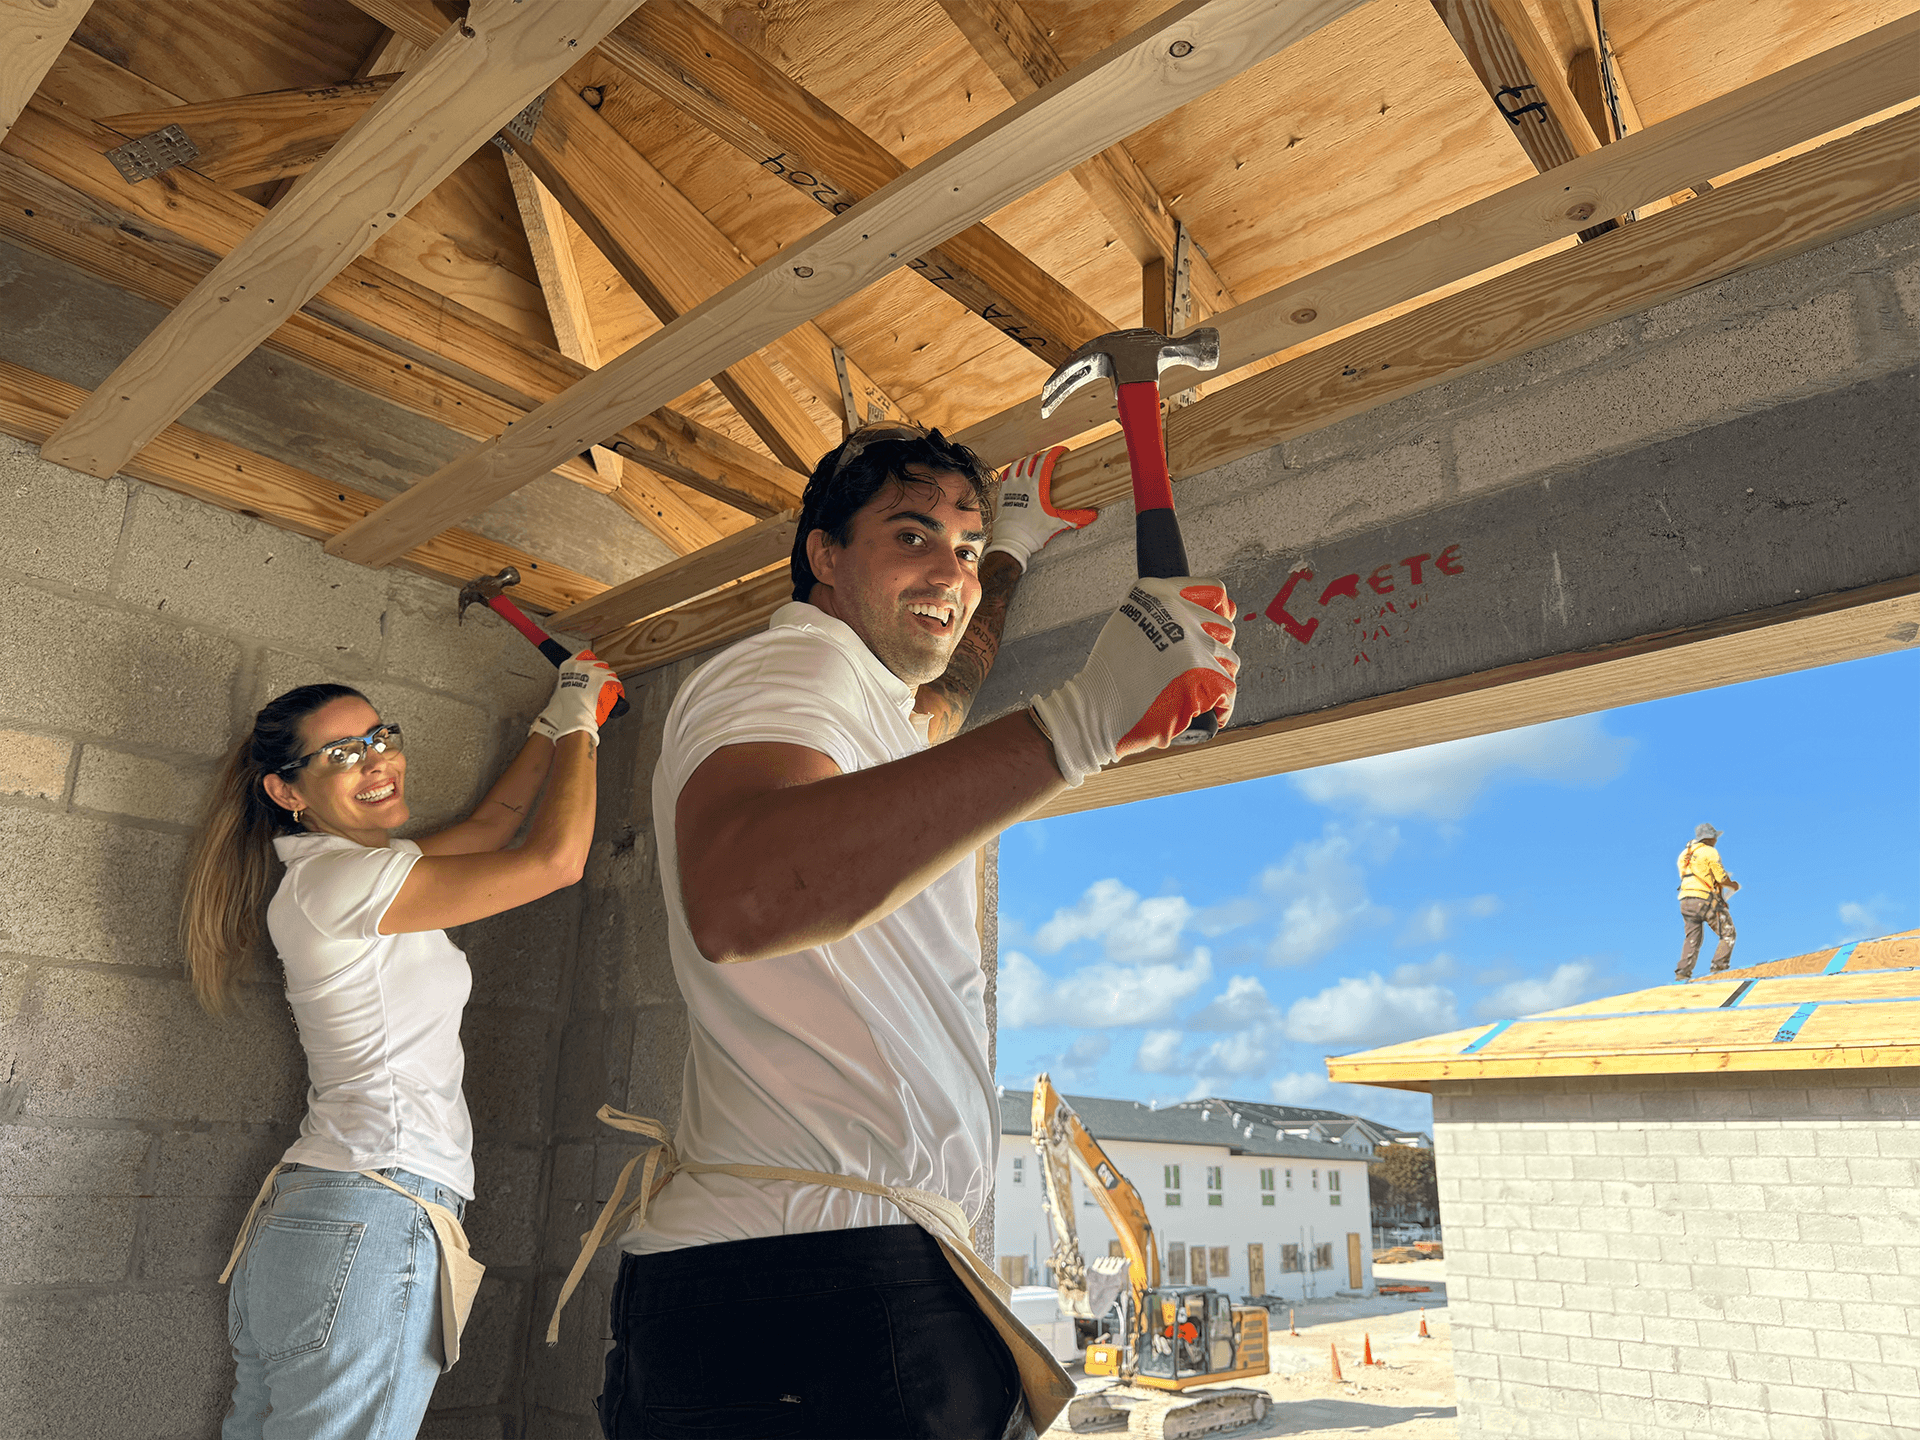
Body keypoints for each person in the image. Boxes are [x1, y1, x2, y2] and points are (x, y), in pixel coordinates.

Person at [581, 426, 1238, 1439]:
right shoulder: (788, 669)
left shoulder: (872, 708)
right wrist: (1083, 719)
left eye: (962, 549)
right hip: (808, 1288)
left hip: (824, 1270)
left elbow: (951, 688)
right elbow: (739, 894)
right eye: (911, 535)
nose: (949, 572)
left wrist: (1010, 548)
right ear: (824, 554)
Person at [180, 650, 624, 1440]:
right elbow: (554, 862)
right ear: (287, 792)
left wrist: (557, 716)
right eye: (342, 754)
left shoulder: (348, 873)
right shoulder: (339, 885)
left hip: (325, 1219)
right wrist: (582, 729)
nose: (377, 760)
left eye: (380, 737)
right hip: (373, 1211)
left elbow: (492, 827)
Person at [1675, 821, 1739, 980]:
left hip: (1685, 901)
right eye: (1715, 837)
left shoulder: (1684, 855)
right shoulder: (1709, 852)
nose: (1716, 840)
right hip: (1704, 900)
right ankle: (1719, 967)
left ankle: (1682, 973)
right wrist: (1732, 885)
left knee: (1692, 938)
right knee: (1728, 933)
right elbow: (1721, 878)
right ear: (1709, 838)